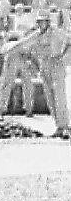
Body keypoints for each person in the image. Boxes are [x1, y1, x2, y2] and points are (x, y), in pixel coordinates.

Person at [31, 9, 71, 138]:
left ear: (48, 22)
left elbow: (69, 41)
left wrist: (63, 57)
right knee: (50, 98)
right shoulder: (37, 35)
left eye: (43, 21)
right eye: (39, 22)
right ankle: (58, 126)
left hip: (56, 65)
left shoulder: (56, 32)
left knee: (60, 97)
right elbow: (25, 42)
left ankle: (65, 126)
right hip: (45, 67)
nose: (41, 24)